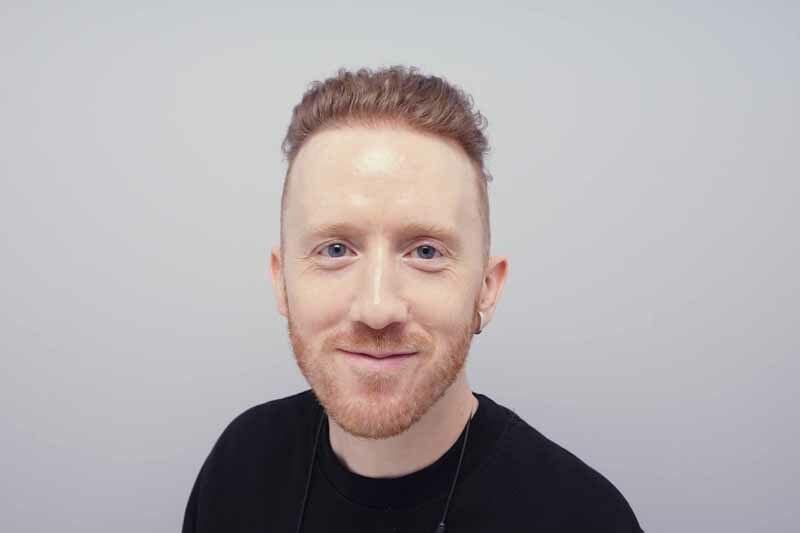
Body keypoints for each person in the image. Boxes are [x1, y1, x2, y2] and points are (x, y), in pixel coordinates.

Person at [182, 66, 644, 533]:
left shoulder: (586, 518)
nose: (377, 309)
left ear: (487, 288)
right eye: (336, 250)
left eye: (426, 252)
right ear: (281, 282)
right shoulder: (239, 466)